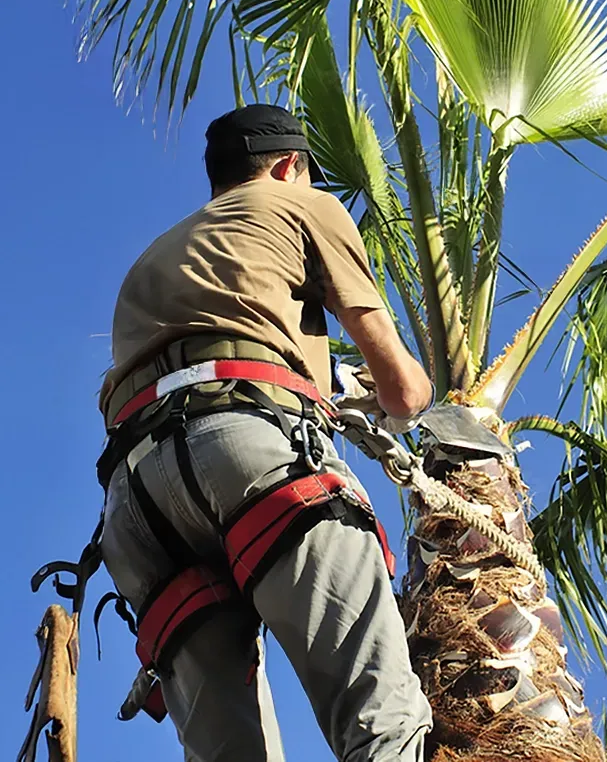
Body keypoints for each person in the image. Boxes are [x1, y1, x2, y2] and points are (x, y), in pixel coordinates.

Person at [97, 104, 434, 761]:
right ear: (288, 166)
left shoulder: (157, 258)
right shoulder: (301, 205)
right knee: (382, 730)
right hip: (250, 453)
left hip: (135, 506)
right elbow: (404, 391)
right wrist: (407, 403)